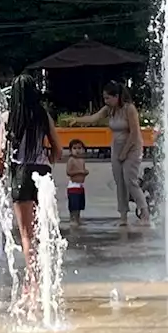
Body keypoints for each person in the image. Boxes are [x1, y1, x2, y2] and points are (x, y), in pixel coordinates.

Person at [0, 75, 63, 308]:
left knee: (26, 234)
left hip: (21, 173)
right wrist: (48, 160)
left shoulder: (8, 118)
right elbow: (58, 149)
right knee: (42, 229)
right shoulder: (42, 116)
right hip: (42, 172)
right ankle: (40, 276)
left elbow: (1, 155)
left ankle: (32, 279)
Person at [65, 81, 150, 227]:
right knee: (119, 182)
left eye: (108, 98)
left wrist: (124, 152)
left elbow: (135, 133)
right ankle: (123, 216)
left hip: (132, 148)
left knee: (130, 181)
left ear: (117, 96)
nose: (106, 101)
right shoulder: (109, 109)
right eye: (104, 98)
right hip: (116, 148)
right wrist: (77, 120)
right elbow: (93, 118)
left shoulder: (129, 109)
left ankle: (145, 213)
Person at [65, 139, 89, 227]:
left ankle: (78, 219)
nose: (77, 150)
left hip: (80, 186)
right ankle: (72, 219)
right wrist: (79, 172)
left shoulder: (82, 160)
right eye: (75, 148)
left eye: (79, 148)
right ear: (70, 150)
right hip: (73, 186)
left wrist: (85, 172)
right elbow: (68, 172)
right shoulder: (71, 160)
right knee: (73, 205)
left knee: (79, 205)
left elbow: (83, 170)